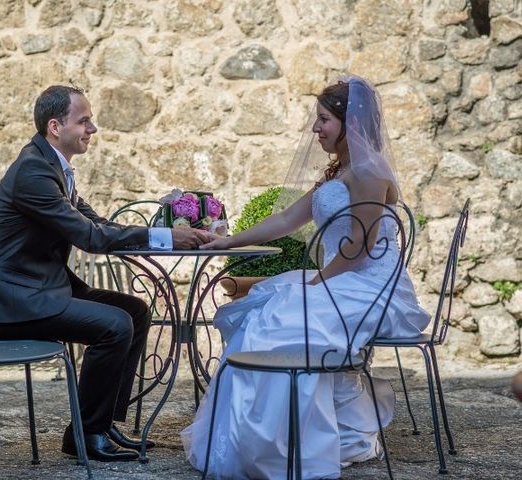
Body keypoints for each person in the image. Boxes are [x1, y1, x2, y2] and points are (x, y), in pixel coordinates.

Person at [181, 76, 431, 479]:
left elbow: (359, 247)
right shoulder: (344, 170)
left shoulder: (368, 171)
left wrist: (315, 286)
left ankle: (289, 445)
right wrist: (224, 243)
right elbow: (285, 219)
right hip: (340, 277)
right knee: (263, 308)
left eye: (323, 119)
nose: (316, 128)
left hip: (371, 286)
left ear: (349, 123)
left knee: (279, 320)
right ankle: (257, 440)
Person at [0, 85, 210, 462]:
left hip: (39, 287)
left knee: (135, 311)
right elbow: (88, 236)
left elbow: (95, 222)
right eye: (84, 121)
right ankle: (86, 433)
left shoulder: (53, 166)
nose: (92, 129)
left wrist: (161, 235)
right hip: (8, 301)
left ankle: (102, 422)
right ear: (54, 126)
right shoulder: (32, 171)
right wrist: (163, 236)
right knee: (114, 326)